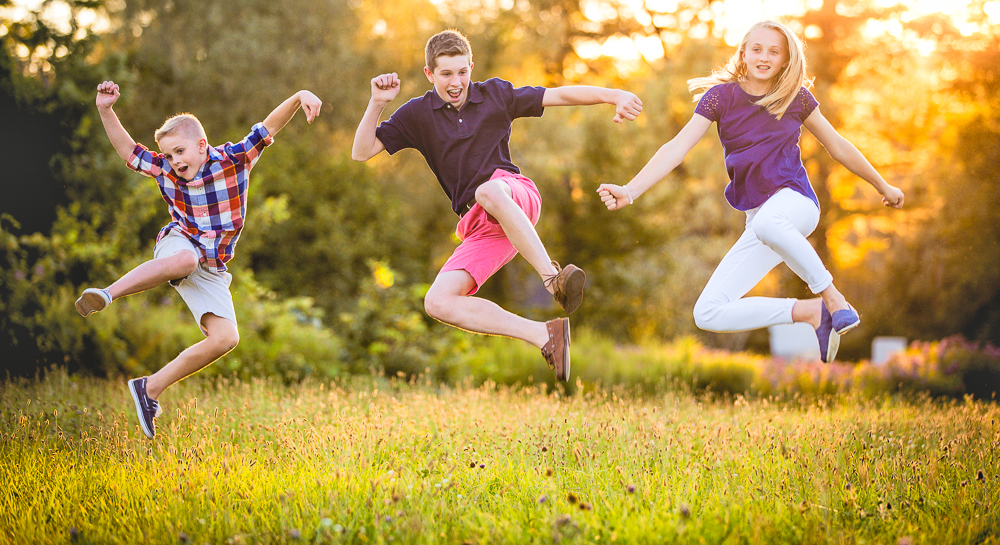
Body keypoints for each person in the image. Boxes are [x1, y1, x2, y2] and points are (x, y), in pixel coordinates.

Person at [597, 20, 904, 363]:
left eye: (774, 52)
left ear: (786, 60)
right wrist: (630, 190)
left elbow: (839, 147)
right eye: (756, 49)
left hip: (796, 203)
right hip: (760, 220)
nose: (764, 57)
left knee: (769, 224)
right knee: (708, 313)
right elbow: (676, 148)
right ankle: (811, 312)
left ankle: (834, 299)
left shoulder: (796, 97)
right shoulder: (720, 99)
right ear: (743, 53)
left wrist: (883, 185)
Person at [352, 29, 643, 381]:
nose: (456, 82)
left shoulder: (495, 95)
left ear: (471, 66)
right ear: (430, 74)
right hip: (481, 226)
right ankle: (544, 335)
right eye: (446, 74)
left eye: (462, 72)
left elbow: (560, 94)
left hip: (513, 196)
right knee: (438, 302)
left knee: (488, 191)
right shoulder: (417, 115)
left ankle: (553, 280)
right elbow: (362, 151)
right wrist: (377, 103)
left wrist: (615, 95)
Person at [75, 80, 322, 438]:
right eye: (170, 155)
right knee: (185, 260)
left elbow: (268, 127)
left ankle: (150, 388)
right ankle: (107, 294)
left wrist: (300, 97)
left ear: (202, 145)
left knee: (225, 338)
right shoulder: (165, 170)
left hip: (212, 266)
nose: (175, 161)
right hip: (178, 245)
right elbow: (129, 151)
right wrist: (105, 109)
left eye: (180, 152)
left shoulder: (235, 159)